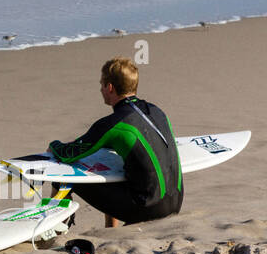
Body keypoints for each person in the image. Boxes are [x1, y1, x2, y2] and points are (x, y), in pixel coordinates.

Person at [48, 58, 182, 228]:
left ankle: (52, 232)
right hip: (175, 203)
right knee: (120, 171)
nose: (100, 89)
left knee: (62, 176)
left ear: (110, 87)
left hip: (148, 210)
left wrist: (54, 145)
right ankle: (112, 230)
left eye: (102, 84)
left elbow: (67, 154)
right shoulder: (158, 112)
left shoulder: (112, 123)